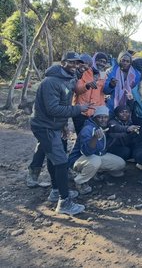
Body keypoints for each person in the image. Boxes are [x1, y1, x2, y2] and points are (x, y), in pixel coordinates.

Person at [29, 51, 87, 215]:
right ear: (62, 63)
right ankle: (64, 202)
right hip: (44, 126)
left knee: (54, 159)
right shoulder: (51, 82)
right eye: (71, 62)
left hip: (53, 126)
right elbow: (53, 108)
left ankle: (55, 191)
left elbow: (62, 103)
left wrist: (63, 125)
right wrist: (78, 109)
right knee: (61, 162)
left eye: (77, 63)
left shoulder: (68, 79)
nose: (75, 66)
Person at [69, 106, 126, 195]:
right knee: (95, 161)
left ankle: (96, 172)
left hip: (97, 156)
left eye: (105, 117)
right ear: (95, 118)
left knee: (120, 163)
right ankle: (80, 182)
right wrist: (95, 138)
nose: (103, 120)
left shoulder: (104, 127)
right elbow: (87, 152)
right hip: (79, 159)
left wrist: (128, 130)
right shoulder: (87, 129)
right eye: (100, 117)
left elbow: (116, 131)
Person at [72, 53, 106, 135]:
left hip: (94, 114)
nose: (101, 63)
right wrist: (86, 86)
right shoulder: (84, 71)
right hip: (81, 112)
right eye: (99, 61)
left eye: (104, 62)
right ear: (94, 61)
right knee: (81, 136)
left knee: (91, 137)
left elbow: (102, 94)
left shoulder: (103, 75)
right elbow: (77, 90)